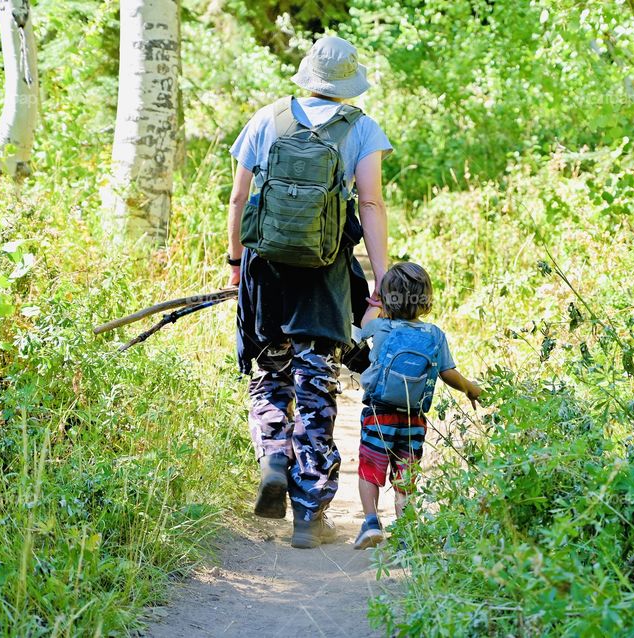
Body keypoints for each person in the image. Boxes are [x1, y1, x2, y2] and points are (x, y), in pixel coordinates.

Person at [226, 36, 392, 549]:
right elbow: (370, 204)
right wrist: (381, 281)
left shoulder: (267, 119)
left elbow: (239, 197)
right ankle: (308, 515)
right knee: (316, 382)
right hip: (324, 272)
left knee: (271, 368)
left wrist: (236, 265)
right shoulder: (361, 128)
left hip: (265, 267)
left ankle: (274, 455)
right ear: (348, 83)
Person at [353, 262, 482, 549]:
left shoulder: (382, 327)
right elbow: (449, 374)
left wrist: (375, 304)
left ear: (388, 300)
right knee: (405, 476)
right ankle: (405, 532)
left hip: (378, 414)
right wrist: (472, 390)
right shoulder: (434, 335)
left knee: (370, 469)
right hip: (414, 420)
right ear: (425, 300)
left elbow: (362, 327)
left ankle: (371, 522)